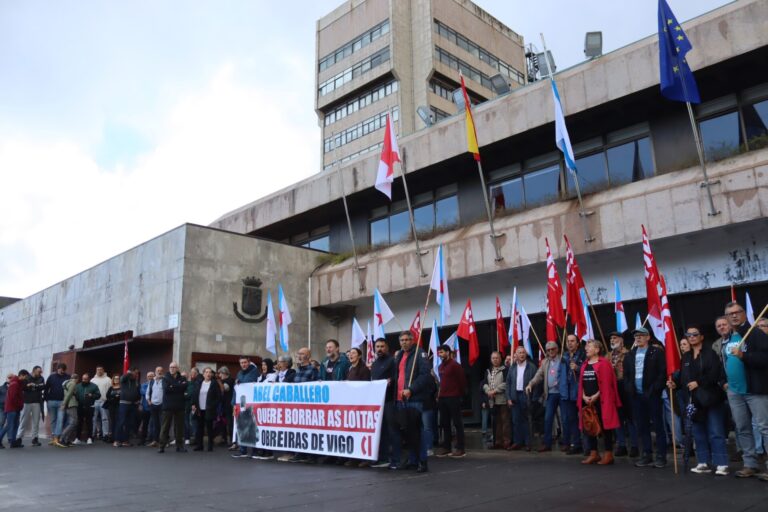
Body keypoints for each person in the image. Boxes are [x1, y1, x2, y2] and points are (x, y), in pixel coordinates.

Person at [668, 325, 728, 475]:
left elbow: (715, 374)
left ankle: (721, 463)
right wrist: (675, 385)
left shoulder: (710, 353)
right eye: (689, 335)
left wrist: (699, 383)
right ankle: (703, 462)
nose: (692, 337)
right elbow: (683, 379)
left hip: (711, 398)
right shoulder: (686, 357)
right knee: (698, 431)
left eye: (695, 334)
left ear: (701, 337)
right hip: (693, 400)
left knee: (715, 431)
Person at [721, 302, 768, 479]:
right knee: (742, 428)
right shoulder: (728, 337)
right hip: (734, 390)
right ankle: (750, 464)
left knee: (764, 427)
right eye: (729, 314)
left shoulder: (755, 333)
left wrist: (744, 356)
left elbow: (765, 358)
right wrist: (724, 382)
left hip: (754, 389)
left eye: (737, 312)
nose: (733, 316)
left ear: (744, 314)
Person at [623, 327, 667, 468]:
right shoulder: (630, 355)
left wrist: (655, 389)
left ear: (648, 337)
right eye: (636, 336)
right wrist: (629, 388)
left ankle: (661, 455)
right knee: (641, 426)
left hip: (652, 394)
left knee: (658, 425)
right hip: (636, 396)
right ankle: (646, 454)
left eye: (641, 335)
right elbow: (627, 375)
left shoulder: (657, 352)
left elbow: (662, 373)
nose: (638, 338)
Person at [393, 331, 432, 473]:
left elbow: (425, 375)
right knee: (407, 433)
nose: (404, 342)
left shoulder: (419, 354)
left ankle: (422, 461)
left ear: (412, 340)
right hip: (400, 399)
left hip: (414, 398)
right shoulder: (399, 356)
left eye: (407, 340)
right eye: (401, 340)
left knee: (417, 432)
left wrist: (412, 389)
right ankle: (412, 460)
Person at [578, 339, 622, 465]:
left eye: (589, 346)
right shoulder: (585, 364)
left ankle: (608, 454)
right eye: (586, 346)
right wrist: (584, 396)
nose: (586, 348)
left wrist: (596, 396)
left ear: (597, 349)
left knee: (605, 426)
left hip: (602, 400)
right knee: (589, 426)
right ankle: (594, 453)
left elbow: (607, 385)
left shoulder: (604, 363)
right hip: (588, 400)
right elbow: (581, 383)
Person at [526, 341, 562, 452]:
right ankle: (547, 444)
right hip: (550, 394)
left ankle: (567, 441)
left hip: (562, 394)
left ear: (557, 349)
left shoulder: (563, 360)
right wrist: (531, 384)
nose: (551, 351)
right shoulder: (545, 362)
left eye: (553, 349)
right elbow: (538, 375)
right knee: (548, 418)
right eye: (548, 350)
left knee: (564, 418)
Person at [608, 332, 638, 458]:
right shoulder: (608, 356)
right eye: (611, 338)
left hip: (626, 387)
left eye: (615, 338)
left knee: (630, 418)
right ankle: (621, 445)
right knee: (618, 418)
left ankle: (634, 446)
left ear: (621, 340)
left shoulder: (628, 354)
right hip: (614, 388)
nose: (612, 340)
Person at [435, 344, 467, 458]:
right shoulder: (440, 367)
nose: (440, 354)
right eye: (439, 353)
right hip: (443, 398)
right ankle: (446, 447)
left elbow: (462, 381)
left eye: (442, 352)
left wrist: (460, 395)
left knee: (457, 423)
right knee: (445, 423)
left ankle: (460, 448)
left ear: (448, 352)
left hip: (454, 397)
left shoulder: (455, 365)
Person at [371, 338, 397, 468]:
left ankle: (392, 458)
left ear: (386, 348)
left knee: (391, 430)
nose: (379, 349)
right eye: (377, 347)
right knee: (380, 431)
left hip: (389, 401)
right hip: (377, 403)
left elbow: (396, 377)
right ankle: (381, 457)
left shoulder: (392, 361)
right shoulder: (375, 364)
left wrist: (391, 380)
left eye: (382, 346)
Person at [507, 346, 537, 451]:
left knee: (527, 420)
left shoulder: (532, 367)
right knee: (516, 420)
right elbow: (508, 383)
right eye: (519, 353)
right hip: (515, 396)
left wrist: (534, 398)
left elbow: (536, 383)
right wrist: (509, 398)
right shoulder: (512, 367)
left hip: (526, 396)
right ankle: (517, 442)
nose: (521, 354)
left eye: (523, 352)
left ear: (526, 354)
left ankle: (528, 442)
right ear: (515, 354)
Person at [560, 335, 586, 454]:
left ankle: (588, 445)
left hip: (580, 392)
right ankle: (576, 444)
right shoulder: (564, 356)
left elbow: (588, 370)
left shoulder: (583, 355)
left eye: (572, 341)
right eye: (568, 341)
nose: (570, 343)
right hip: (567, 392)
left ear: (577, 343)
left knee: (585, 419)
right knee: (571, 420)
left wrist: (578, 368)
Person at [231, 356, 261, 457]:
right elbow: (237, 389)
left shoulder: (254, 371)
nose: (243, 364)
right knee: (242, 425)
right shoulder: (239, 373)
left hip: (252, 403)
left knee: (252, 425)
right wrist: (234, 403)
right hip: (241, 403)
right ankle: (243, 449)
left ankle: (254, 450)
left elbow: (250, 383)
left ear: (249, 362)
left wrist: (241, 383)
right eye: (241, 363)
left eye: (245, 362)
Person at [159, 362, 188, 453]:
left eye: (174, 367)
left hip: (180, 406)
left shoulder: (182, 378)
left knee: (179, 428)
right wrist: (178, 386)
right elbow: (167, 389)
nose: (172, 368)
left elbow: (184, 387)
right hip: (168, 406)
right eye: (170, 367)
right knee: (165, 427)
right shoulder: (165, 378)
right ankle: (162, 446)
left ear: (177, 369)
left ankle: (179, 446)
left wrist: (173, 386)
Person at [483, 351, 509, 449]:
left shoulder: (505, 370)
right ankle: (497, 442)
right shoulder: (488, 370)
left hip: (502, 399)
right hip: (492, 401)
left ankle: (506, 442)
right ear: (491, 359)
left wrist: (495, 391)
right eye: (493, 358)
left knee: (505, 421)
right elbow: (484, 383)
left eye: (497, 358)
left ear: (500, 359)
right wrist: (488, 390)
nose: (495, 360)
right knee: (496, 422)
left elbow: (506, 383)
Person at [192, 367, 222, 452]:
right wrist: (194, 404)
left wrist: (213, 405)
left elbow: (219, 396)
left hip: (209, 409)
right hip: (199, 409)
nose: (208, 374)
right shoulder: (199, 383)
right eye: (206, 372)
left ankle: (210, 446)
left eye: (210, 372)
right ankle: (200, 445)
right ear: (203, 374)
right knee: (199, 428)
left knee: (209, 428)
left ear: (211, 374)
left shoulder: (214, 383)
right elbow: (195, 394)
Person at [16, 365, 45, 447]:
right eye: (39, 371)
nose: (40, 373)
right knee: (23, 421)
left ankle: (35, 439)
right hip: (26, 402)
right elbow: (23, 388)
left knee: (36, 421)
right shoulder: (27, 377)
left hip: (37, 402)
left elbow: (43, 387)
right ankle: (19, 438)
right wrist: (32, 386)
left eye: (41, 371)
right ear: (34, 371)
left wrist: (34, 386)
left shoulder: (41, 378)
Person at [114, 368, 141, 448]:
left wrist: (137, 401)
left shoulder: (136, 382)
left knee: (129, 423)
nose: (136, 375)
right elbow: (122, 378)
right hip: (124, 404)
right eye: (135, 373)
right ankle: (117, 440)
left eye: (137, 373)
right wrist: (128, 373)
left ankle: (125, 441)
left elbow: (138, 392)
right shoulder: (125, 379)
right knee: (121, 422)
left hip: (133, 405)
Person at [44, 363, 70, 445]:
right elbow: (46, 388)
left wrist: (66, 401)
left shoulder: (67, 377)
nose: (61, 370)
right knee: (53, 420)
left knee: (60, 420)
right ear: (57, 369)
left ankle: (57, 437)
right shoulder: (51, 377)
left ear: (65, 369)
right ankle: (54, 436)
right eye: (60, 369)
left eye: (63, 369)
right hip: (51, 402)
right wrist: (47, 399)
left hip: (62, 402)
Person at [0, 370, 27, 448]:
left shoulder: (18, 383)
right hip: (12, 408)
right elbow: (13, 397)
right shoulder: (14, 384)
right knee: (8, 425)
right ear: (21, 375)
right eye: (25, 376)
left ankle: (13, 442)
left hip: (15, 408)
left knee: (15, 425)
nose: (25, 378)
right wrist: (19, 405)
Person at [74, 372, 101, 444]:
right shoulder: (78, 386)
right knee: (79, 422)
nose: (83, 380)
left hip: (90, 406)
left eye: (85, 379)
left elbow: (98, 395)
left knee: (89, 422)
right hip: (80, 406)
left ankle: (89, 438)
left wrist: (91, 395)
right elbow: (75, 395)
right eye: (83, 379)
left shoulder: (94, 386)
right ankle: (77, 438)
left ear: (89, 379)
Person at [57, 373, 80, 448]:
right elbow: (69, 394)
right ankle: (62, 438)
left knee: (72, 422)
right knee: (73, 422)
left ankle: (66, 440)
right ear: (77, 379)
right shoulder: (72, 383)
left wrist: (64, 404)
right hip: (71, 404)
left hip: (69, 404)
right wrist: (64, 404)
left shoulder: (67, 383)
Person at [90, 366, 111, 441]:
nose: (99, 371)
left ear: (103, 370)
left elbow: (110, 390)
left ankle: (105, 435)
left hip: (104, 401)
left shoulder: (108, 379)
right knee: (94, 419)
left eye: (100, 369)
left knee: (105, 419)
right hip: (94, 402)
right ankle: (92, 434)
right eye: (97, 369)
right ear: (96, 370)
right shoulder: (93, 380)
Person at [145, 368, 165, 447]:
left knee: (163, 424)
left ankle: (163, 441)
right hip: (153, 405)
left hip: (162, 405)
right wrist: (149, 401)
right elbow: (147, 393)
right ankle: (155, 441)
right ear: (155, 372)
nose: (159, 372)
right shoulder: (151, 381)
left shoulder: (164, 381)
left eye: (161, 371)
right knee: (155, 424)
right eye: (158, 371)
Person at [218, 366, 234, 447]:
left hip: (229, 404)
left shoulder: (230, 380)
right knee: (222, 422)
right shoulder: (222, 380)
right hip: (223, 404)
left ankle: (231, 440)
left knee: (230, 423)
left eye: (220, 373)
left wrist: (219, 383)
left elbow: (225, 389)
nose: (219, 375)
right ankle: (223, 438)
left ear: (224, 373)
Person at [104, 375, 121, 443]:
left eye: (117, 378)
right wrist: (114, 397)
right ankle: (113, 437)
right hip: (111, 406)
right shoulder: (111, 388)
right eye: (115, 379)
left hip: (119, 406)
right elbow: (107, 396)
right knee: (112, 421)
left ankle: (118, 437)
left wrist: (117, 397)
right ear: (113, 380)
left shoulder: (122, 388)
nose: (116, 380)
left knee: (118, 421)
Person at [0, 374, 9, 448]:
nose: (10, 379)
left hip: (11, 408)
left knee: (10, 424)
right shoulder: (1, 388)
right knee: (2, 424)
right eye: (9, 378)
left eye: (11, 378)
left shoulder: (14, 387)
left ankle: (10, 439)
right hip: (2, 408)